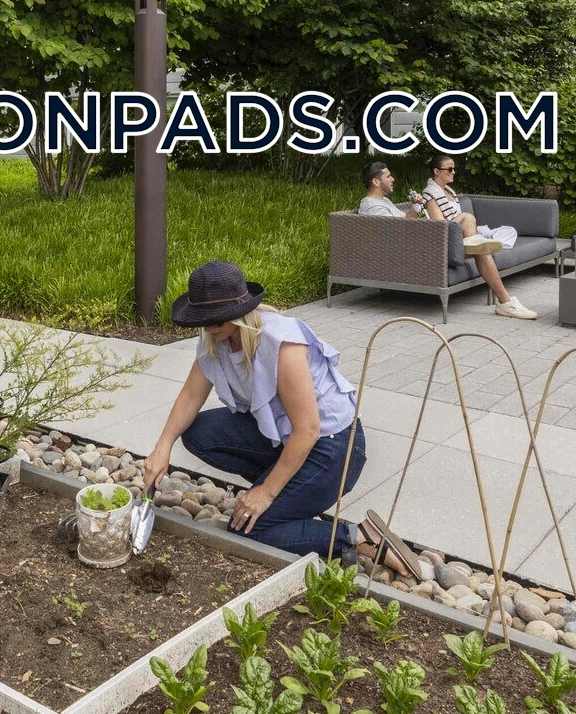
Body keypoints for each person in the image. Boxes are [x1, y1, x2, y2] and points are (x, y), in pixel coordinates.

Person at [143, 261, 368, 558]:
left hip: (333, 449)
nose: (208, 327)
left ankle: (359, 537)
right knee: (199, 433)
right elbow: (191, 394)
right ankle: (292, 496)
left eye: (216, 320)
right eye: (203, 319)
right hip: (286, 436)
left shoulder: (281, 342)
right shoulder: (215, 337)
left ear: (239, 311)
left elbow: (308, 430)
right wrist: (162, 447)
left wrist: (266, 492)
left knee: (248, 530)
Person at [358, 161, 537, 319]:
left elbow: (405, 220)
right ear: (376, 181)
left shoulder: (384, 202)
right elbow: (395, 234)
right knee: (473, 232)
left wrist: (415, 207)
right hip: (416, 251)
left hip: (420, 243)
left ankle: (504, 298)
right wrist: (426, 229)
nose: (392, 179)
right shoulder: (371, 206)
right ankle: (505, 301)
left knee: (479, 245)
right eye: (388, 176)